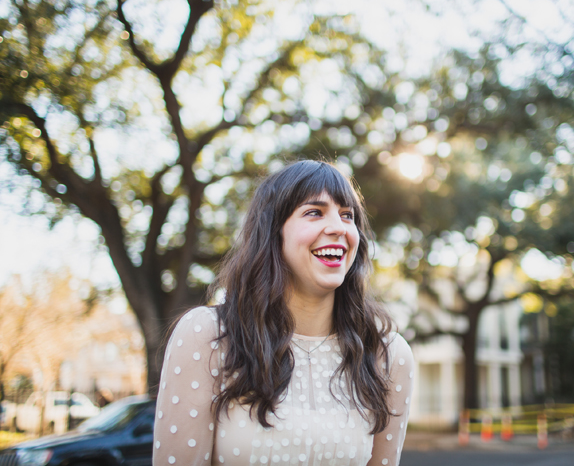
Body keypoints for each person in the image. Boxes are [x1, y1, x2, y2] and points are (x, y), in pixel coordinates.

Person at [153, 160, 414, 466]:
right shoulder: (207, 335)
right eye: (314, 212)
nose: (339, 228)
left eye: (348, 216)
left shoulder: (388, 355)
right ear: (273, 232)